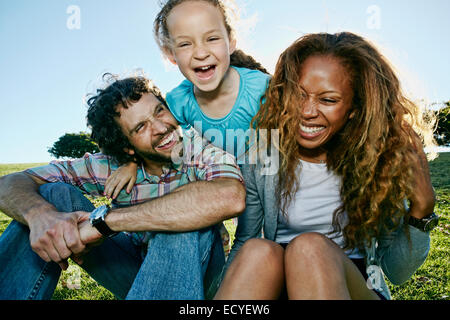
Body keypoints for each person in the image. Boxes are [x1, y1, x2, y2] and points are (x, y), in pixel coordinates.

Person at [214, 32, 439, 300]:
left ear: (355, 108)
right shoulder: (262, 155)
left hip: (354, 286)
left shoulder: (378, 160)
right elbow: (244, 241)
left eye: (328, 100)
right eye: (298, 94)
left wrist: (422, 210)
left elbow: (397, 271)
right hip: (280, 281)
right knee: (256, 250)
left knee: (309, 248)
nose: (307, 111)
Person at [0, 74, 246, 300]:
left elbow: (230, 196)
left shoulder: (197, 145)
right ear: (127, 147)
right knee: (51, 194)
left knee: (182, 218)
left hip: (204, 280)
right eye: (140, 127)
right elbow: (9, 184)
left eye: (160, 111)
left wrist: (105, 222)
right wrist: (40, 216)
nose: (161, 128)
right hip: (136, 273)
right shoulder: (110, 166)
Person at [104, 0, 271, 200]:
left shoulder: (262, 86)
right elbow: (155, 136)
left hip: (272, 172)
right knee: (246, 230)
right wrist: (131, 163)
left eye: (212, 38)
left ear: (231, 40)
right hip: (229, 180)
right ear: (170, 54)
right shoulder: (177, 101)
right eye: (185, 44)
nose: (201, 53)